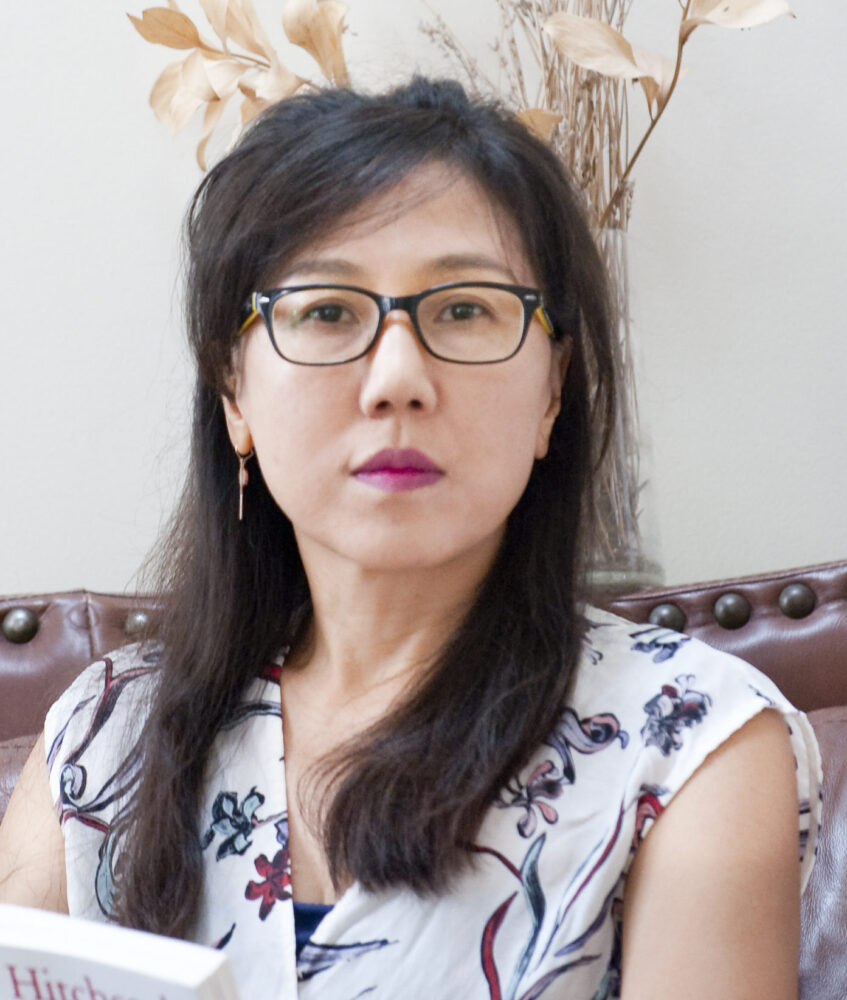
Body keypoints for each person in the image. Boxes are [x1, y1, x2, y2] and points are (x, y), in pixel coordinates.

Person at [0, 78, 820, 999]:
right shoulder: (104, 736)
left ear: (552, 392)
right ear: (234, 394)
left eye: (464, 309)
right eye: (325, 311)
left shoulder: (691, 741)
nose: (397, 379)